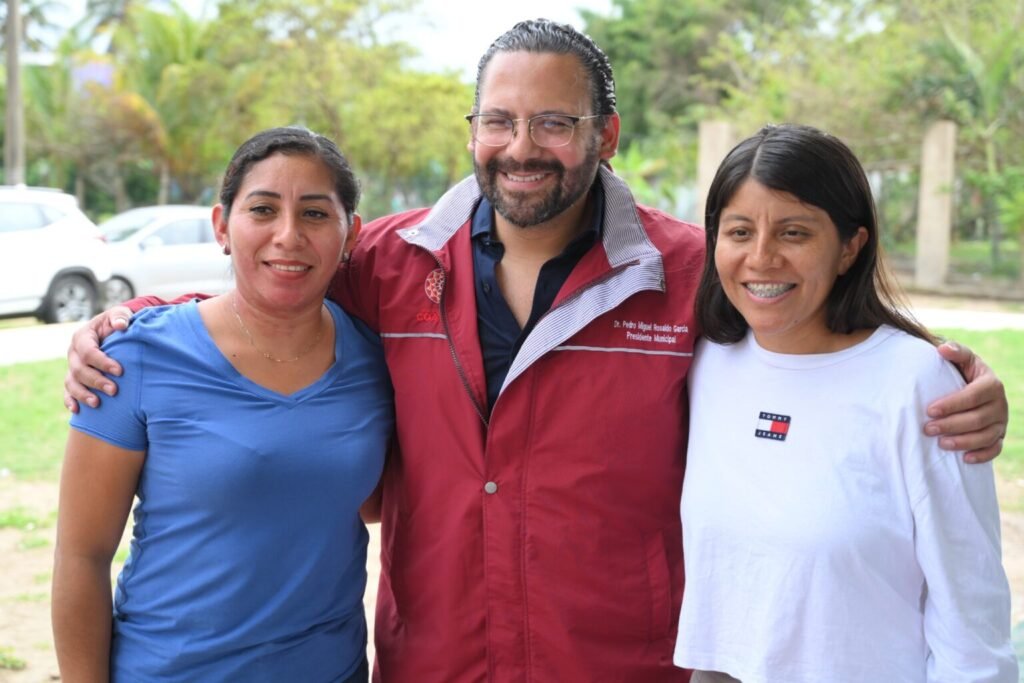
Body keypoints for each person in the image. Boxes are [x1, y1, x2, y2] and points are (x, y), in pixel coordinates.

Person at [63, 21, 1010, 683]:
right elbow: (273, 280)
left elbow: (812, 329)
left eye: (556, 122)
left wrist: (943, 367)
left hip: (622, 664)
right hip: (433, 660)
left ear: (606, 134)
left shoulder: (687, 272)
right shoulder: (391, 261)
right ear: (474, 130)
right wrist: (137, 316)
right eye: (500, 121)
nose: (523, 147)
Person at [675, 124, 1018, 682]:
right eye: (740, 231)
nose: (761, 258)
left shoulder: (919, 385)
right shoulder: (705, 362)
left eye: (793, 233)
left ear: (850, 247)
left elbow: (971, 619)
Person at [51, 127, 393, 682]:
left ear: (350, 233)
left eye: (314, 213)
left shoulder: (376, 361)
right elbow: (81, 557)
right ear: (222, 227)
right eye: (262, 209)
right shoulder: (133, 357)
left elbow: (366, 501)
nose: (288, 235)